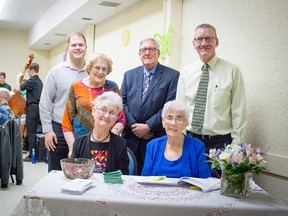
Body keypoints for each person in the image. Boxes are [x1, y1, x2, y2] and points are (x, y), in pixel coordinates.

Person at [176, 23, 247, 154]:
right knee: (189, 175)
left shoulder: (232, 70)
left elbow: (239, 110)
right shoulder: (185, 73)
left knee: (217, 176)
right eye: (199, 39)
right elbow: (180, 110)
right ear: (194, 43)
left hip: (221, 144)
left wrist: (236, 145)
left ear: (217, 42)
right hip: (190, 141)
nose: (204, 43)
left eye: (209, 38)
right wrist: (180, 138)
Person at [121, 38, 180, 174]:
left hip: (156, 137)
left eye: (151, 49)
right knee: (129, 176)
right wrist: (133, 125)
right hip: (131, 137)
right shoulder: (129, 75)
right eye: (143, 50)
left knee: (153, 178)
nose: (147, 53)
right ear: (139, 54)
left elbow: (170, 106)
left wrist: (148, 126)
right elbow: (122, 102)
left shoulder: (172, 75)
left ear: (158, 53)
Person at [40, 32, 88, 172]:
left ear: (86, 47)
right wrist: (47, 131)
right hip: (58, 130)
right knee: (56, 171)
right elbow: (45, 103)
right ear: (68, 47)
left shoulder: (92, 72)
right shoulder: (56, 71)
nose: (77, 48)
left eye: (81, 45)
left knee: (82, 172)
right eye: (74, 45)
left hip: (84, 131)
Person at [62, 53, 126, 157]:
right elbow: (67, 121)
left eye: (104, 69)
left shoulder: (112, 87)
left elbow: (121, 118)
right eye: (97, 68)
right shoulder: (76, 86)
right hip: (80, 144)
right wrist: (72, 148)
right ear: (90, 68)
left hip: (107, 144)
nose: (100, 72)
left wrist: (111, 139)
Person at [142, 100, 211, 178]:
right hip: (157, 190)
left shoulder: (197, 147)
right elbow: (145, 179)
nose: (173, 123)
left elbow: (205, 180)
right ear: (163, 122)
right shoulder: (152, 146)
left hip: (187, 190)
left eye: (179, 118)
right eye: (169, 118)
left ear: (185, 124)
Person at [72, 91, 129, 174]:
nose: (106, 116)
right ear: (93, 111)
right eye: (103, 110)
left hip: (111, 187)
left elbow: (123, 177)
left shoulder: (120, 144)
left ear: (115, 118)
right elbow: (74, 174)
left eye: (112, 112)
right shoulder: (79, 143)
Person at [15, 63, 43, 161]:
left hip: (32, 109)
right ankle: (35, 153)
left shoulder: (32, 81)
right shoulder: (40, 81)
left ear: (32, 70)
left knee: (31, 133)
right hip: (38, 109)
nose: (28, 73)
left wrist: (18, 78)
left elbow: (19, 89)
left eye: (28, 71)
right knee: (34, 132)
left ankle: (32, 156)